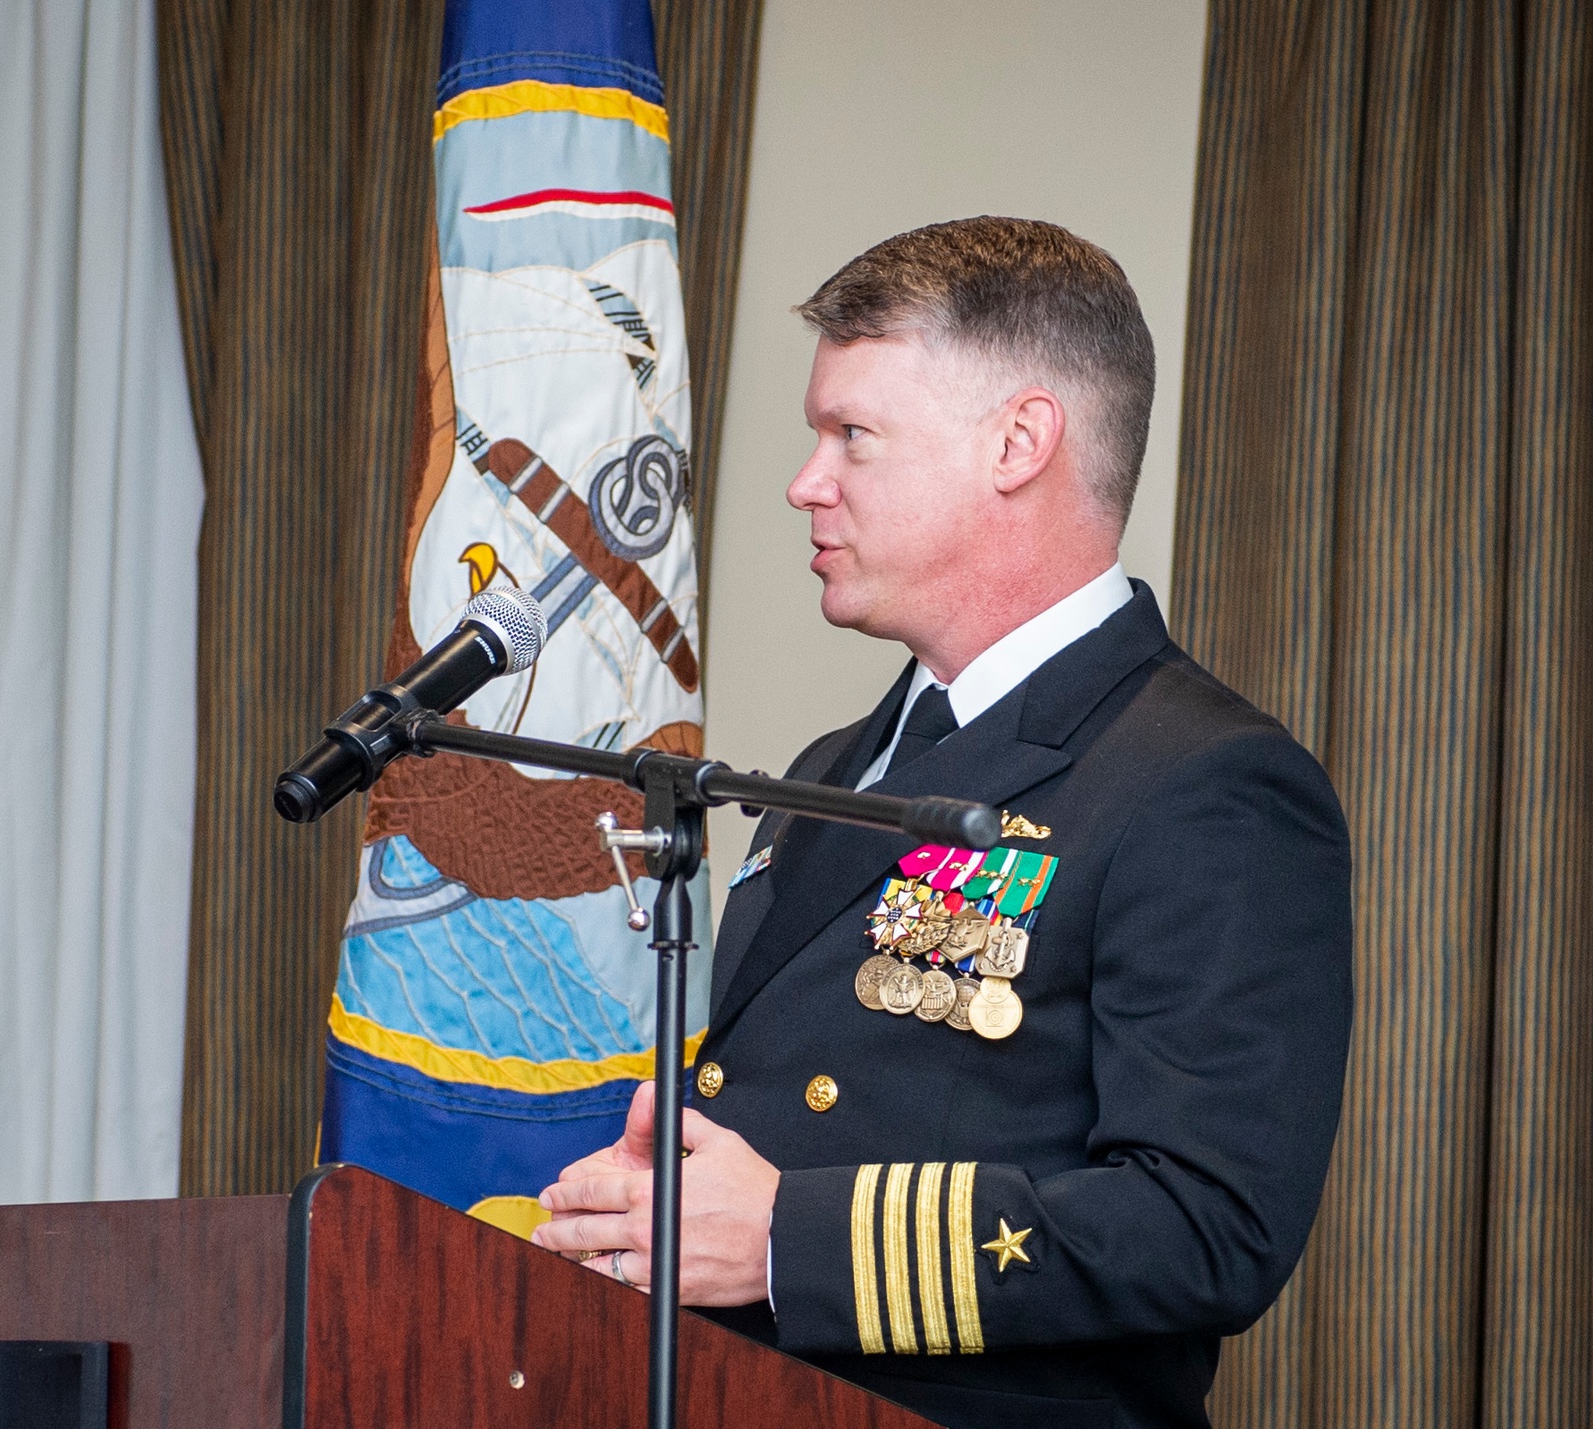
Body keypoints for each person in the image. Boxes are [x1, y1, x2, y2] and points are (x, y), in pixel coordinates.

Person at [530, 217, 1353, 1429]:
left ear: (1018, 443)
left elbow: (1206, 1226)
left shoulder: (1204, 781)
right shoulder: (833, 765)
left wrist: (782, 1242)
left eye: (851, 435)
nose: (805, 481)